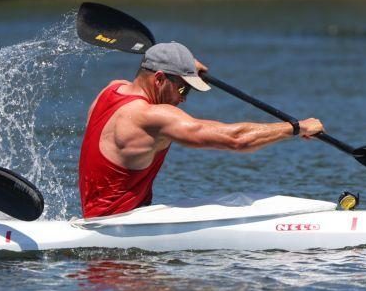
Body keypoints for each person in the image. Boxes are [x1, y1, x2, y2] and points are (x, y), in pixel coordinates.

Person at [78, 42, 323, 218]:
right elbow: (235, 139)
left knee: (238, 200)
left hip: (100, 217)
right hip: (119, 225)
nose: (184, 99)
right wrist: (296, 127)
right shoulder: (151, 117)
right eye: (183, 89)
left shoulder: (111, 89)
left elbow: (153, 68)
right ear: (160, 80)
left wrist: (182, 66)